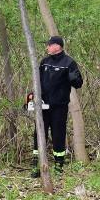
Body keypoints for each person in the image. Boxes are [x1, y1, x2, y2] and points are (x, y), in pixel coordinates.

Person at [31, 36, 83, 176]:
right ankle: (37, 167)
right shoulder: (44, 62)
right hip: (43, 106)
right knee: (38, 134)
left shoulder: (69, 63)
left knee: (58, 135)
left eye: (49, 45)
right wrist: (32, 97)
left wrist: (74, 78)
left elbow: (78, 84)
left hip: (59, 107)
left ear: (57, 46)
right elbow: (38, 82)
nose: (47, 47)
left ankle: (59, 167)